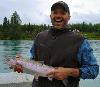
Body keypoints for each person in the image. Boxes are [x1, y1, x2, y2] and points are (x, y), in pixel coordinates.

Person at [15, 1, 99, 87]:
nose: (58, 16)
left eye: (63, 13)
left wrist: (69, 72)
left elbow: (94, 70)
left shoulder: (80, 41)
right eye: (55, 13)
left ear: (69, 17)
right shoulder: (39, 37)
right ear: (50, 16)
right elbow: (33, 61)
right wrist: (24, 66)